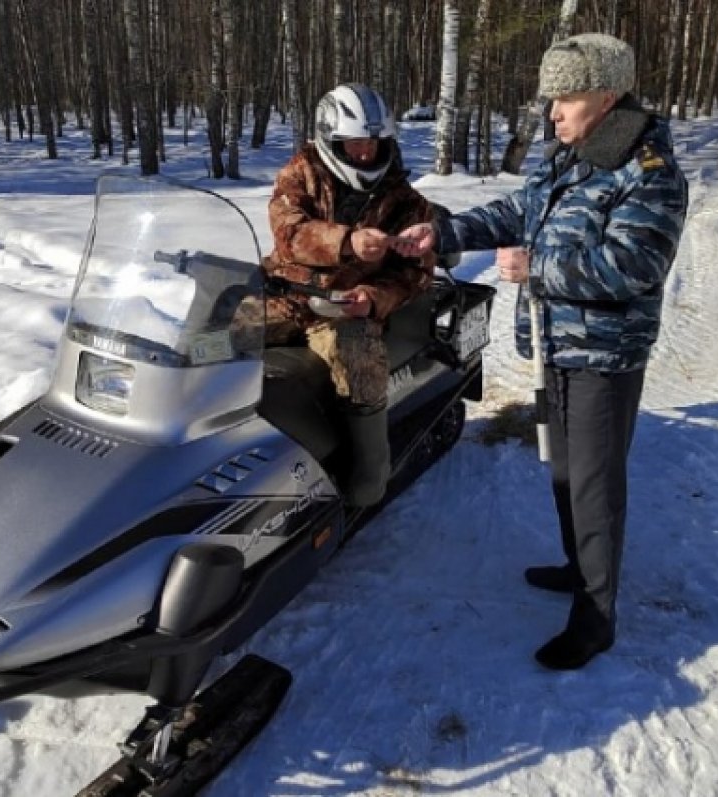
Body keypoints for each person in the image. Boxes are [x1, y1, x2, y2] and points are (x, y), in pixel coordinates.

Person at [395, 33, 689, 669]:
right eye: (550, 99)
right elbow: (518, 209)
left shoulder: (649, 174)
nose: (551, 112)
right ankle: (576, 566)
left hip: (604, 355)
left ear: (607, 99)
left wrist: (538, 267)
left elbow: (634, 264)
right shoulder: (570, 155)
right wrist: (442, 233)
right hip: (554, 345)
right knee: (563, 469)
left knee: (593, 482)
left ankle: (596, 615)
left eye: (566, 98)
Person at [262, 83, 435, 507]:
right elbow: (287, 232)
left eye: (373, 142)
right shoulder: (300, 172)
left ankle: (369, 475)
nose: (364, 152)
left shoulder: (406, 202)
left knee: (358, 357)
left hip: (342, 308)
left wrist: (372, 296)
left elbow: (415, 273)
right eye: (355, 142)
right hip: (287, 291)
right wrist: (346, 242)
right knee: (215, 333)